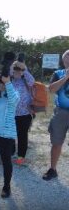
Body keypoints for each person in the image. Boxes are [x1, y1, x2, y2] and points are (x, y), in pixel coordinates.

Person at [42, 49, 69, 180]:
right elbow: (51, 90)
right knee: (56, 142)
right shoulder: (58, 74)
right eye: (67, 56)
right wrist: (66, 77)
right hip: (61, 112)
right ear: (63, 60)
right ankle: (53, 169)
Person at [11, 60, 35, 165]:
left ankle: (21, 158)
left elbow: (32, 82)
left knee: (22, 136)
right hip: (10, 114)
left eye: (20, 69)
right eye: (16, 68)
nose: (18, 71)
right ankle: (10, 155)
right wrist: (13, 65)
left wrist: (23, 68)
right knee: (10, 135)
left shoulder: (26, 79)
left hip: (25, 113)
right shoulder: (9, 79)